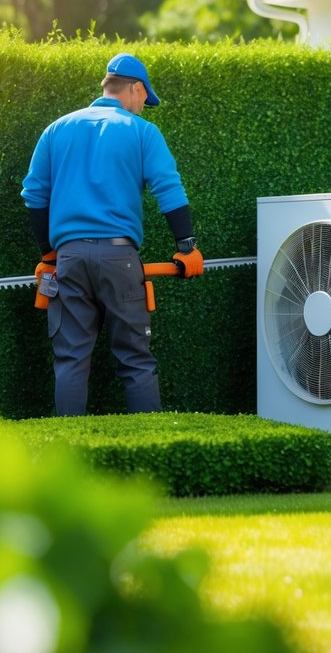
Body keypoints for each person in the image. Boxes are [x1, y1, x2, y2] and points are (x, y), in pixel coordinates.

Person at [20, 52, 204, 415]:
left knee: (70, 360)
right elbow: (168, 189)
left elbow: (34, 195)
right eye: (144, 101)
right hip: (121, 259)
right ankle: (149, 455)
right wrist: (186, 246)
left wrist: (48, 255)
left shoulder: (56, 129)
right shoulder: (141, 132)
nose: (143, 109)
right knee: (136, 360)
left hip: (69, 259)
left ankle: (68, 456)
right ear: (135, 89)